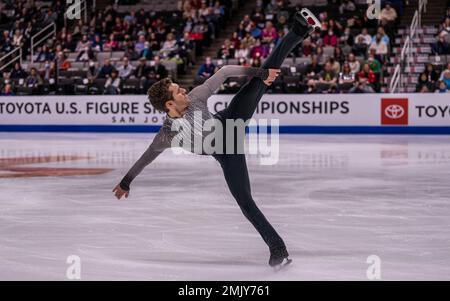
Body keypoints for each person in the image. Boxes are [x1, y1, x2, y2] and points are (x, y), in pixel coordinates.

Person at [113, 10, 316, 267]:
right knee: (245, 202)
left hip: (231, 118)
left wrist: (258, 73)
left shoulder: (196, 96)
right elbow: (145, 158)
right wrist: (126, 182)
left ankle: (299, 30)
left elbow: (224, 72)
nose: (183, 89)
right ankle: (278, 249)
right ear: (169, 103)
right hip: (226, 151)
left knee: (260, 80)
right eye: (178, 90)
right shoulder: (166, 135)